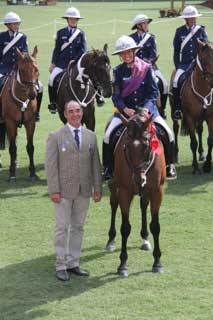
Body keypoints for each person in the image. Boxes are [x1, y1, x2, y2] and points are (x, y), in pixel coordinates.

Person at [103, 35, 177, 180]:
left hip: (147, 112)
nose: (126, 55)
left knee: (168, 133)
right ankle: (108, 168)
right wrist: (124, 109)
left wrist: (146, 109)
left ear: (134, 51)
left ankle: (170, 165)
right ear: (120, 56)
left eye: (129, 52)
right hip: (125, 113)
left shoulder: (146, 68)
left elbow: (153, 92)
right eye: (123, 53)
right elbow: (116, 96)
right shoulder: (117, 71)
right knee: (108, 136)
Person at [45, 100, 102, 282]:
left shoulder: (91, 136)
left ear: (82, 113)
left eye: (78, 111)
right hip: (62, 191)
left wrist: (97, 188)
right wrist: (54, 190)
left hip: (84, 190)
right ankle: (60, 265)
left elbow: (96, 165)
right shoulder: (55, 136)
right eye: (71, 111)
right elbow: (51, 167)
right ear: (65, 114)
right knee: (62, 228)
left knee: (78, 227)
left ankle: (73, 263)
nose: (75, 114)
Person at [48, 7, 105, 114]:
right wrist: (53, 63)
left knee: (92, 75)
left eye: (75, 19)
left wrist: (74, 60)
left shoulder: (81, 33)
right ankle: (53, 103)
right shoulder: (60, 33)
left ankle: (98, 96)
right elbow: (56, 49)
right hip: (62, 63)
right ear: (67, 19)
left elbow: (83, 49)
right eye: (71, 19)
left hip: (77, 63)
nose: (73, 20)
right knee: (51, 79)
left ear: (77, 20)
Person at [0, 11, 43, 121]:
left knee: (40, 86)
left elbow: (25, 52)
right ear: (8, 25)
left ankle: (36, 112)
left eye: (17, 23)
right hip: (4, 68)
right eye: (14, 24)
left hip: (19, 69)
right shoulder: (1, 37)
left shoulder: (22, 37)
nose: (16, 26)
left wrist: (25, 58)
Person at [172, 5, 208, 120]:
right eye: (190, 18)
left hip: (199, 64)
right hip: (185, 64)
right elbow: (176, 51)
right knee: (176, 81)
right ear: (185, 19)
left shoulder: (201, 30)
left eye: (194, 17)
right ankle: (177, 108)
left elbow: (206, 48)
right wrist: (178, 66)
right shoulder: (179, 31)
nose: (192, 19)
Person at [129, 14, 168, 119]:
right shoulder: (130, 38)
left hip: (150, 66)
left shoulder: (151, 37)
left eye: (147, 23)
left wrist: (147, 62)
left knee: (164, 85)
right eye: (144, 23)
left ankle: (162, 110)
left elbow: (153, 54)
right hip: (135, 67)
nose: (147, 25)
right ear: (138, 25)